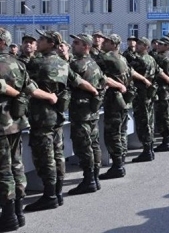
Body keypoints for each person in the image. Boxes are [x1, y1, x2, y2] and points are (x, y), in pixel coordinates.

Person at [24, 30, 98, 211]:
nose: (37, 42)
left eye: (41, 40)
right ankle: (57, 193)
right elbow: (79, 82)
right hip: (58, 115)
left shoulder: (36, 63)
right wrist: (95, 91)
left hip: (41, 116)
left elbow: (24, 85)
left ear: (50, 43)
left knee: (44, 156)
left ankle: (49, 195)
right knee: (58, 154)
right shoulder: (64, 64)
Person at [0, 28, 57, 231]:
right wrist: (50, 96)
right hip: (15, 122)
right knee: (16, 166)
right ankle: (18, 212)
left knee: (3, 170)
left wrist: (14, 94)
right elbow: (31, 89)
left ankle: (8, 216)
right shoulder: (18, 63)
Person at [96, 34, 149, 180]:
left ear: (113, 44)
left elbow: (94, 68)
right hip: (123, 100)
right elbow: (131, 73)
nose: (103, 44)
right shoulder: (123, 58)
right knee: (121, 131)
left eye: (106, 42)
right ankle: (121, 161)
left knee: (112, 134)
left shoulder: (106, 58)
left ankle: (117, 166)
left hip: (114, 100)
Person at [67, 34, 110, 195]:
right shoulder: (94, 63)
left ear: (86, 46)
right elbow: (104, 82)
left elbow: (69, 81)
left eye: (76, 43)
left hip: (81, 111)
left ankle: (89, 180)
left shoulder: (77, 65)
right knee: (93, 144)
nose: (73, 44)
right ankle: (95, 177)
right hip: (92, 110)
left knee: (83, 145)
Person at [152, 38, 169, 153]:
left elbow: (157, 73)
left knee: (163, 116)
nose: (158, 46)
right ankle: (168, 140)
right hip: (168, 90)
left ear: (167, 46)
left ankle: (166, 141)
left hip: (162, 90)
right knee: (168, 115)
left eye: (161, 45)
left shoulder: (160, 58)